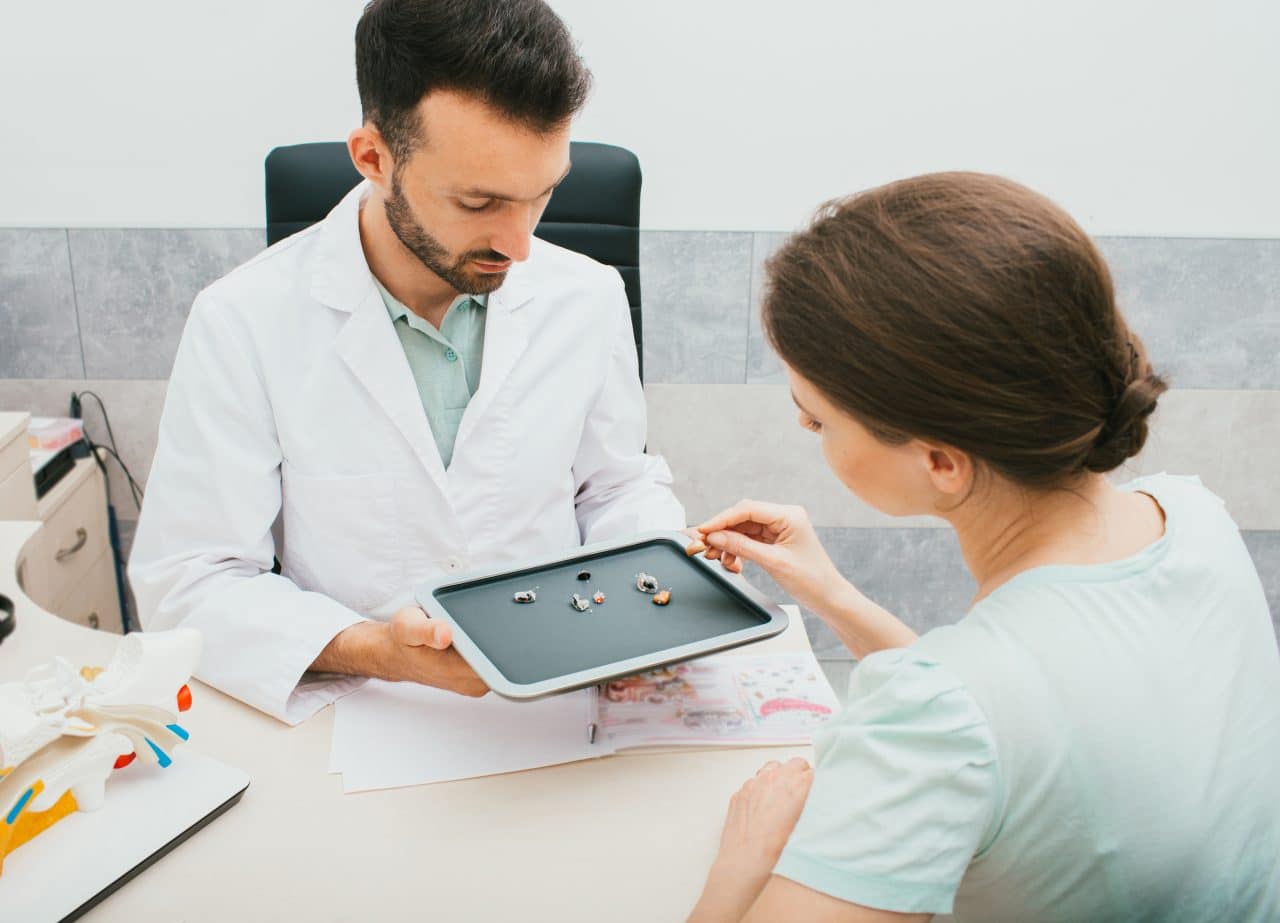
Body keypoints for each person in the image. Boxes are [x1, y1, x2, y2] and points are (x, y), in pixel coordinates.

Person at [686, 172, 1280, 921]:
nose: (813, 438)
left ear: (940, 461)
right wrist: (833, 595)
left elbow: (967, 717)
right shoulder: (1195, 517)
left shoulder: (939, 715)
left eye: (818, 423)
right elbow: (1021, 721)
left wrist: (743, 867)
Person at [129, 0, 684, 725]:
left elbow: (612, 488)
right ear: (373, 158)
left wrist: (659, 579)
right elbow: (189, 582)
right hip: (361, 712)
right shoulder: (243, 320)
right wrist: (375, 649)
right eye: (478, 201)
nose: (519, 244)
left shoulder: (588, 294)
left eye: (543, 194)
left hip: (554, 710)